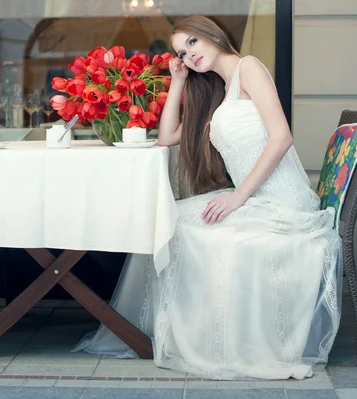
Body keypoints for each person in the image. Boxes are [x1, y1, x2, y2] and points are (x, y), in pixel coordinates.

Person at [74, 16, 342, 380]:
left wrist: (238, 198)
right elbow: (167, 136)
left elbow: (281, 137)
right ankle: (173, 335)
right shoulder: (217, 91)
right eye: (181, 52)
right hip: (251, 198)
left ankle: (214, 341)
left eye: (192, 44)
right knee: (172, 221)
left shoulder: (249, 69)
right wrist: (178, 80)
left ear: (212, 35)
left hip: (282, 203)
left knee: (199, 234)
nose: (188, 54)